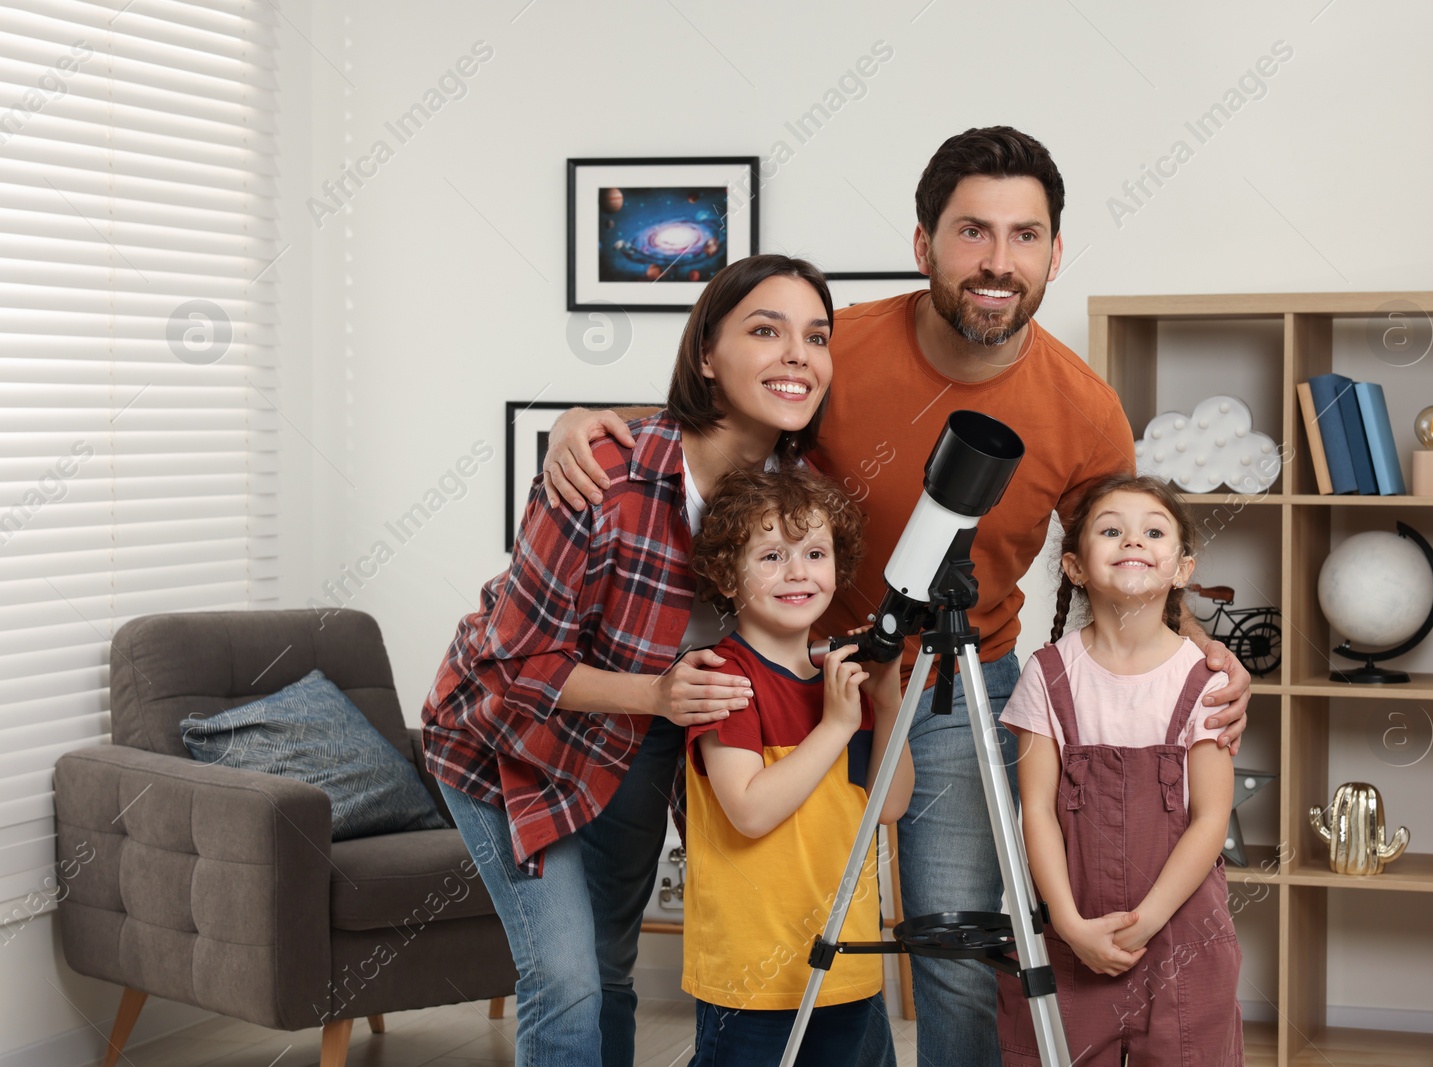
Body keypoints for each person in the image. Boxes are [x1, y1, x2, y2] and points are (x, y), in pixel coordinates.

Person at [540, 127, 1252, 1066]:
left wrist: (1198, 644)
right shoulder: (843, 350)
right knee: (797, 925)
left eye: (1025, 236)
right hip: (814, 675)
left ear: (1054, 252)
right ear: (924, 245)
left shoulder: (1084, 409)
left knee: (953, 943)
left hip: (964, 687)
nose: (999, 262)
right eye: (973, 232)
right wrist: (589, 422)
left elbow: (1121, 559)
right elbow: (726, 423)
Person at [421, 254, 854, 1067]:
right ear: (705, 354)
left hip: (648, 728)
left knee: (611, 961)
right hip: (506, 742)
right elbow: (513, 664)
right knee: (569, 980)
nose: (798, 353)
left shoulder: (794, 487)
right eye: (766, 330)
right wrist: (658, 692)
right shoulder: (603, 478)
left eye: (816, 336)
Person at [996, 473, 1243, 1065]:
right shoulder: (1047, 674)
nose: (1133, 541)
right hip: (1070, 931)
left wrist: (1148, 920)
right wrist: (1070, 924)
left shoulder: (1205, 681)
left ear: (1181, 568)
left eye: (1153, 532)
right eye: (1112, 531)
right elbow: (1035, 811)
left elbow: (1211, 819)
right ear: (1076, 567)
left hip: (1182, 936)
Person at [681, 466, 913, 1066]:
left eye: (814, 552)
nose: (797, 572)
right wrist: (836, 727)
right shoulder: (724, 677)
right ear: (727, 578)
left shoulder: (844, 681)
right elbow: (751, 811)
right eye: (771, 556)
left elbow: (889, 805)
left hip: (845, 955)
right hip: (752, 972)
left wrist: (884, 707)